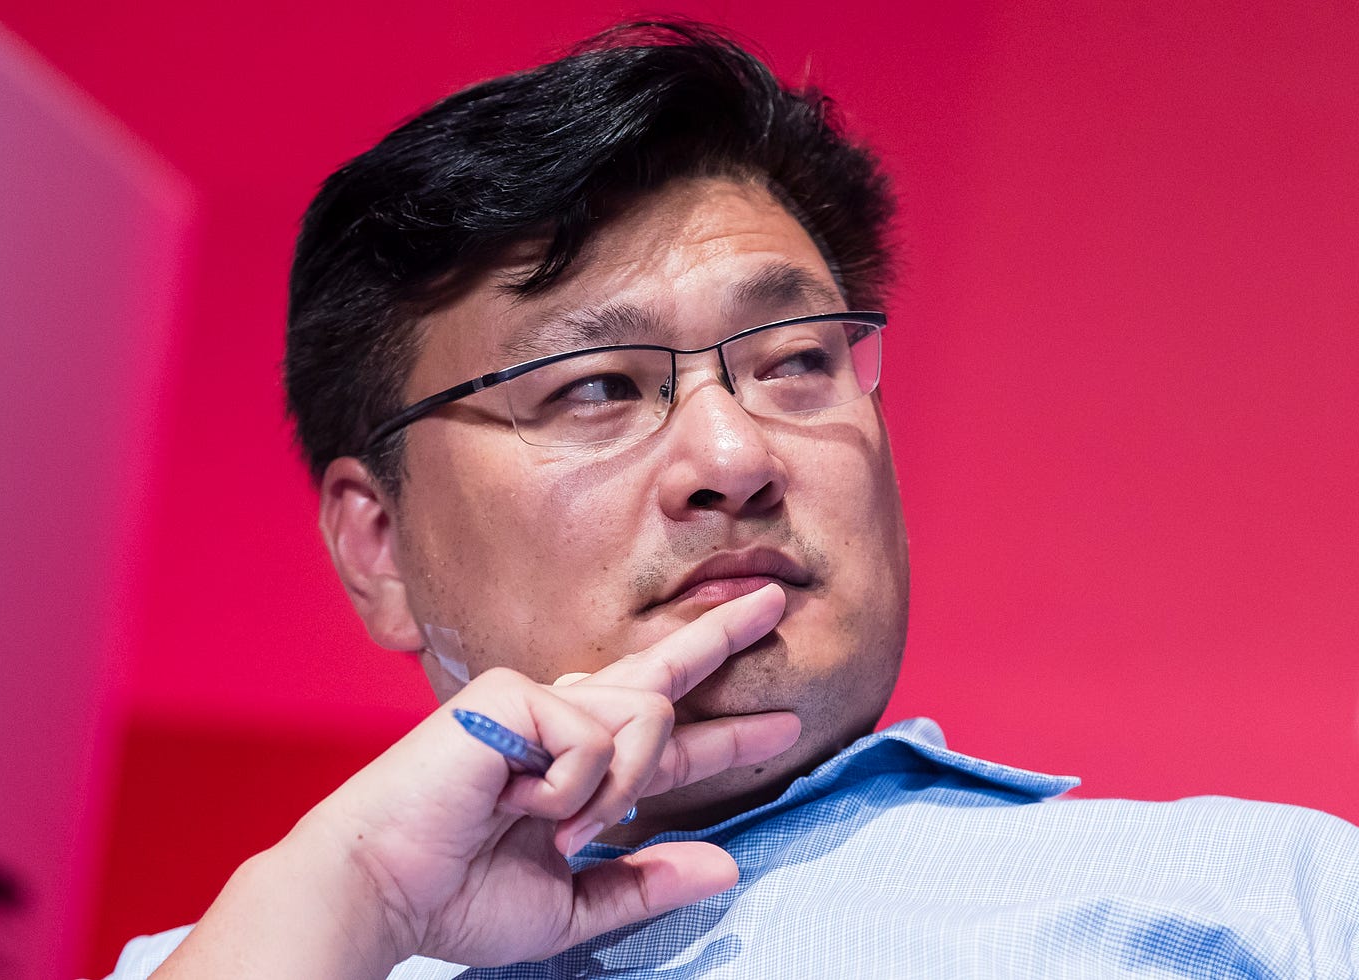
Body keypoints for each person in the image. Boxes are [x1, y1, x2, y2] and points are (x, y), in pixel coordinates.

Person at [109, 21, 1358, 979]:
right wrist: (361, 904)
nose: (732, 451)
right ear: (378, 546)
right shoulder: (259, 950)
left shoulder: (1268, 902)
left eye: (795, 361)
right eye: (597, 386)